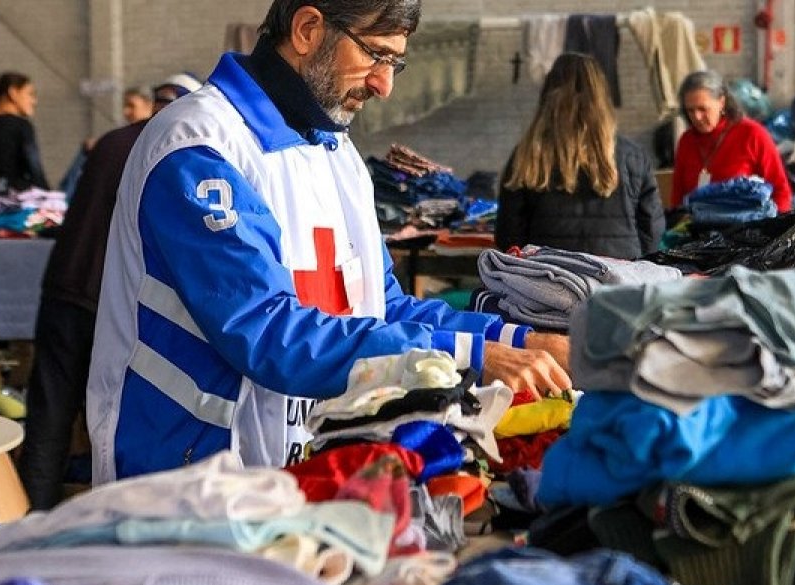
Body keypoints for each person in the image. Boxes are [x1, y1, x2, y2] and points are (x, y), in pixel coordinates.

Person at [87, 0, 572, 484]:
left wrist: (523, 341)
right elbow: (268, 333)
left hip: (304, 473)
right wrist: (471, 358)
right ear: (307, 30)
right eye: (376, 55)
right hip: (189, 483)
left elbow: (383, 308)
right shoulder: (201, 146)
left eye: (396, 63)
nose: (384, 85)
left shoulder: (336, 154)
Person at [19, 74, 204, 510]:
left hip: (65, 288)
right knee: (111, 421)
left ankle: (31, 519)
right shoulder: (175, 151)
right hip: (115, 303)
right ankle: (102, 522)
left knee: (49, 415)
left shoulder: (109, 142)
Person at [495, 53, 664, 259]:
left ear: (548, 95)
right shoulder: (632, 156)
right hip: (619, 273)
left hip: (550, 272)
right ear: (601, 98)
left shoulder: (527, 155)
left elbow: (509, 234)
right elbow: (652, 227)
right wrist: (633, 262)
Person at [670, 70, 791, 212]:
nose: (697, 117)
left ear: (721, 102)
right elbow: (678, 197)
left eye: (703, 109)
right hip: (698, 223)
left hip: (746, 223)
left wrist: (774, 223)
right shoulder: (687, 141)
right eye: (690, 110)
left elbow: (781, 191)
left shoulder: (752, 134)